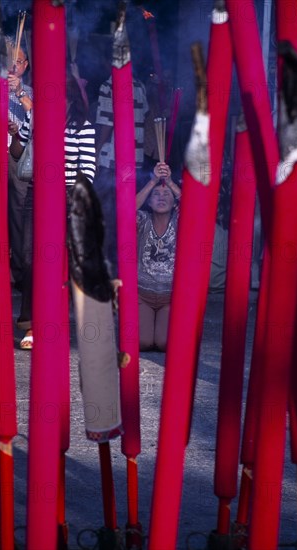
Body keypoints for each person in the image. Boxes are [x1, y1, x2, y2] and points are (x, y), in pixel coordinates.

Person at [9, 73, 96, 350]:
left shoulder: (83, 126)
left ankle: (68, 322)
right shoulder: (36, 118)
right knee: (29, 257)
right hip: (37, 192)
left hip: (69, 194)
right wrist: (18, 133)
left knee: (68, 263)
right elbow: (17, 152)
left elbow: (89, 169)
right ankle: (31, 324)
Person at [94, 73, 149, 277]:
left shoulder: (108, 85)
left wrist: (97, 150)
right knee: (127, 217)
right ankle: (124, 271)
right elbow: (145, 115)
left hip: (111, 161)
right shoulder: (140, 85)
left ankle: (107, 271)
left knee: (105, 217)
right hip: (134, 161)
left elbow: (107, 123)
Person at [136, 161, 181, 351]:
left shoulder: (180, 221)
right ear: (148, 201)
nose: (161, 198)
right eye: (156, 194)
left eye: (166, 195)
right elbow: (126, 209)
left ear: (174, 202)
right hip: (142, 295)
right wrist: (153, 181)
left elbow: (197, 207)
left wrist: (169, 182)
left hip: (169, 298)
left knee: (164, 344)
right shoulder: (143, 220)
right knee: (143, 343)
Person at [6, 38, 33, 290]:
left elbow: (38, 116)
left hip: (18, 158)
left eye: (18, 61)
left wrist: (19, 92)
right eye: (9, 60)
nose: (13, 66)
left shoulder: (30, 91)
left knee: (18, 215)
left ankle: (18, 272)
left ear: (24, 66)